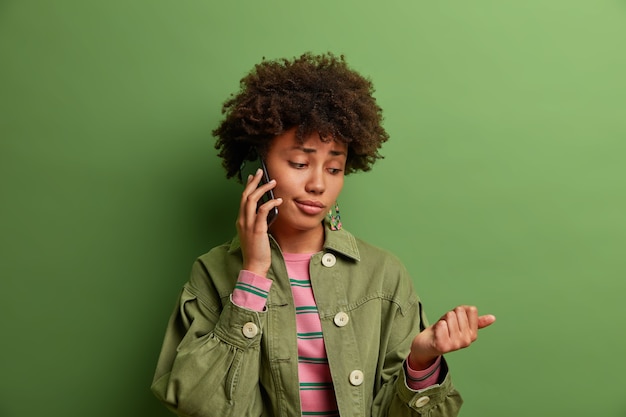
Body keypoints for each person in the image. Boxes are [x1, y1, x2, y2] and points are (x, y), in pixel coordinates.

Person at [151, 52, 496, 417]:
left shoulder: (384, 274)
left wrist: (421, 363)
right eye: (299, 163)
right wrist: (252, 276)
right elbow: (195, 403)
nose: (318, 184)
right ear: (258, 166)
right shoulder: (212, 272)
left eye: (334, 167)